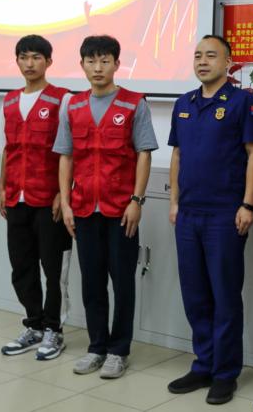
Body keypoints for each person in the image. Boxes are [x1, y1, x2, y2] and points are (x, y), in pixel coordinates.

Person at [53, 35, 158, 379]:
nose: (98, 68)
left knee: (122, 282)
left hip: (120, 210)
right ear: (82, 65)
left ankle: (119, 350)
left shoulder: (134, 104)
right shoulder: (72, 106)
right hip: (84, 208)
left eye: (105, 61)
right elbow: (66, 157)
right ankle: (97, 347)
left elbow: (144, 154)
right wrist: (66, 203)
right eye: (91, 61)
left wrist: (137, 201)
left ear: (117, 64)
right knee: (92, 283)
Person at [166, 35, 253, 404]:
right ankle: (203, 364)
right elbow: (177, 156)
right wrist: (174, 202)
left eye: (211, 55)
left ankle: (225, 373)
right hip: (188, 213)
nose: (203, 62)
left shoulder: (243, 102)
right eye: (197, 56)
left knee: (224, 296)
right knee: (195, 295)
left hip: (225, 214)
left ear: (228, 61)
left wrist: (248, 204)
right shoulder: (184, 104)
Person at [0, 35, 73, 361]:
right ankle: (34, 325)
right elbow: (8, 149)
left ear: (49, 62)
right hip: (16, 197)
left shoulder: (63, 99)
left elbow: (70, 152)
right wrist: (1, 187)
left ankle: (54, 330)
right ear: (17, 61)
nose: (30, 63)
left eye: (36, 57)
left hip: (48, 199)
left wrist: (62, 194)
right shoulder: (9, 101)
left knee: (53, 270)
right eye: (24, 57)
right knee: (21, 266)